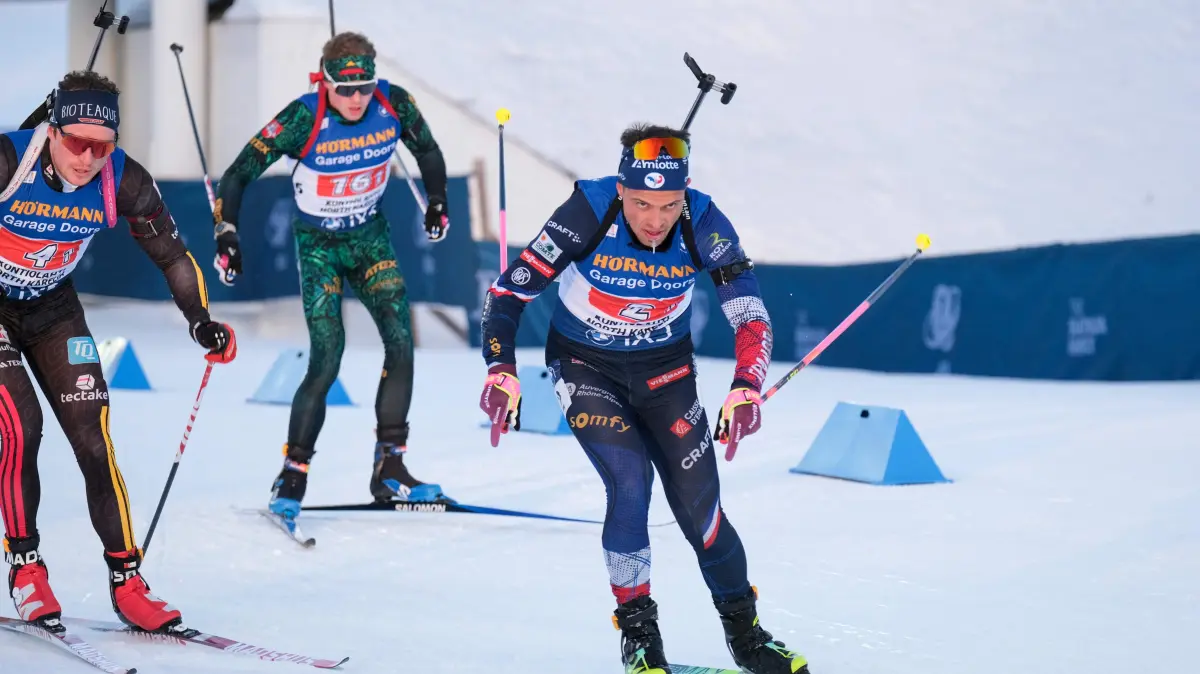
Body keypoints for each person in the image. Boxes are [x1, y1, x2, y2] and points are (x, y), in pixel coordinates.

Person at [478, 124, 809, 674]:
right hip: (585, 365)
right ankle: (639, 637)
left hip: (665, 371)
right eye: (641, 204)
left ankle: (748, 638)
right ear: (621, 189)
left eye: (668, 204)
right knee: (630, 486)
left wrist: (746, 385)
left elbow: (749, 312)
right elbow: (509, 292)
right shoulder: (590, 208)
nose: (655, 220)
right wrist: (500, 370)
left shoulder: (703, 220)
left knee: (703, 515)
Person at [0, 70, 236, 633]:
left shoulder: (124, 181)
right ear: (51, 130)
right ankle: (27, 569)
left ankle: (128, 581)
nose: (87, 158)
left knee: (92, 432)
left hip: (54, 307)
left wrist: (200, 321)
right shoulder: (11, 160)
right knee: (20, 425)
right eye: (76, 142)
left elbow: (174, 257)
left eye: (101, 146)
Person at [209, 31, 451, 519]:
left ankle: (391, 467)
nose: (357, 99)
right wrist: (226, 232)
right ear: (325, 82)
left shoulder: (394, 104)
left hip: (370, 239)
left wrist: (438, 199)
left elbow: (428, 150)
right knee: (327, 355)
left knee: (401, 341)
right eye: (345, 89)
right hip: (319, 246)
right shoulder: (303, 116)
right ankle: (293, 471)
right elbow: (237, 173)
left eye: (365, 87)